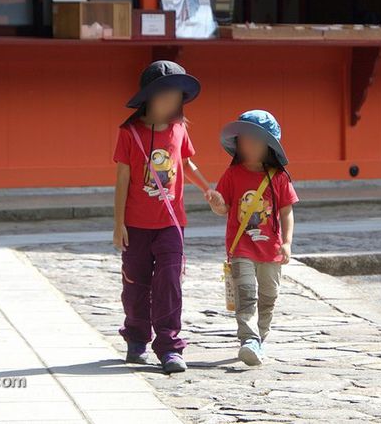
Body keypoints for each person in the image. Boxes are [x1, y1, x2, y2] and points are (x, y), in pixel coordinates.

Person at [112, 60, 220, 373]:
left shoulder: (179, 129)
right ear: (148, 97)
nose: (171, 103)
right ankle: (136, 337)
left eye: (176, 97)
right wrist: (118, 225)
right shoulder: (129, 133)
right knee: (136, 285)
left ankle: (170, 346)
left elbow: (186, 163)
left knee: (170, 282)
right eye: (165, 96)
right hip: (136, 224)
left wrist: (206, 189)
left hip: (172, 223)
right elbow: (122, 180)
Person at [206, 110, 298, 366]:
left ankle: (261, 336)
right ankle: (248, 338)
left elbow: (286, 211)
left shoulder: (279, 177)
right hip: (241, 248)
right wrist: (216, 203)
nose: (250, 145)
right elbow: (224, 209)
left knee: (269, 295)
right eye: (245, 139)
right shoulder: (232, 174)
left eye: (257, 140)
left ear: (269, 146)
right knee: (246, 292)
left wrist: (288, 242)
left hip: (271, 250)